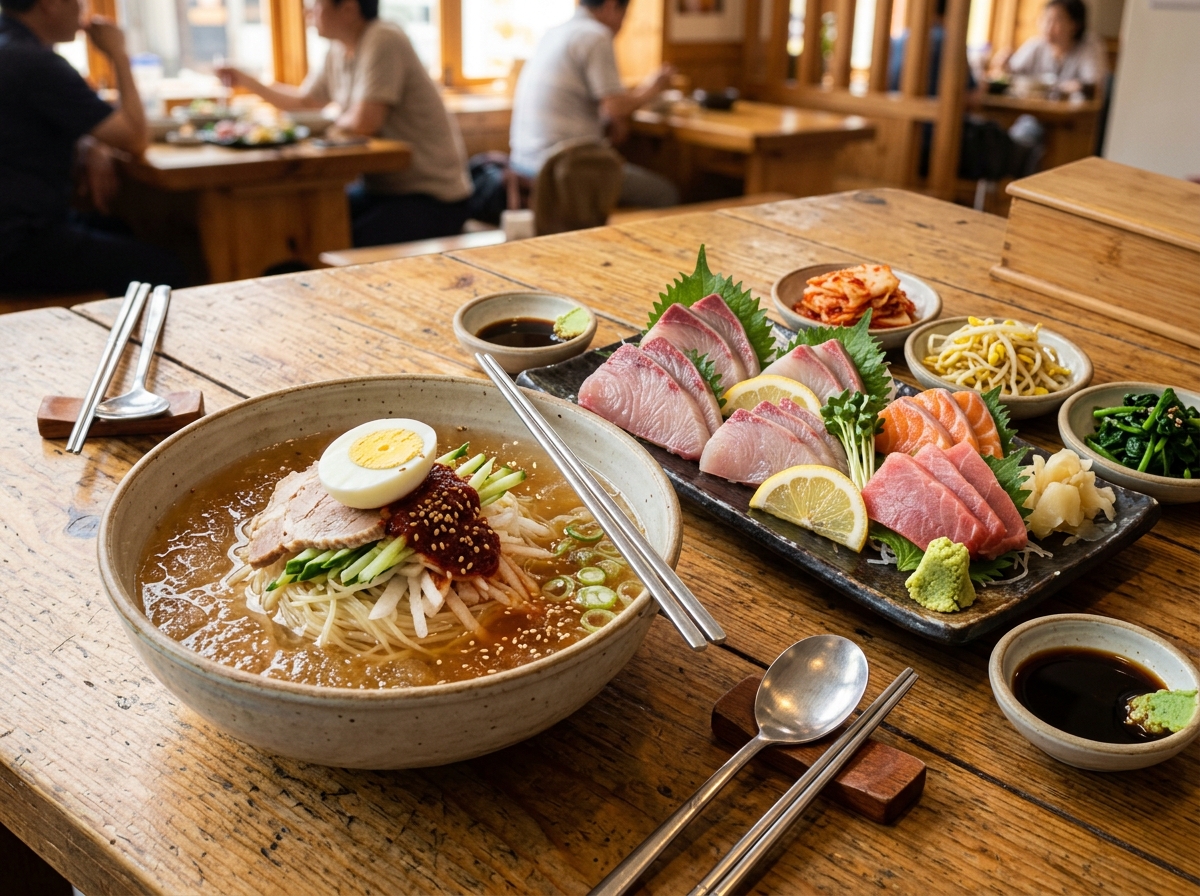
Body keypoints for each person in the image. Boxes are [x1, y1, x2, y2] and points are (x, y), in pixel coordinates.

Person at [219, 0, 473, 247]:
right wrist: (247, 81)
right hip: (384, 190)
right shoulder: (338, 49)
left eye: (316, 5)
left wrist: (328, 120)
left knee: (331, 240)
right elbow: (306, 102)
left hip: (433, 198)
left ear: (349, 9)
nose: (308, 13)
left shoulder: (383, 38)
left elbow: (365, 122)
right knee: (304, 224)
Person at [0, 0, 186, 297]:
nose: (83, 9)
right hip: (18, 240)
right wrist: (118, 54)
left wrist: (89, 142)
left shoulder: (12, 48)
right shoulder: (35, 62)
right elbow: (135, 138)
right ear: (49, 4)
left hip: (21, 224)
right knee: (165, 271)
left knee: (123, 229)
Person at [509, 0, 680, 209]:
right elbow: (615, 106)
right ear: (609, 6)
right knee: (665, 194)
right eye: (625, 15)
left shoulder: (554, 32)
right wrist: (654, 87)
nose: (622, 25)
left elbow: (599, 105)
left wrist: (612, 121)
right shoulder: (595, 35)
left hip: (523, 164)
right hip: (565, 170)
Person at [1000, 0, 1107, 97]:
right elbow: (1011, 72)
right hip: (1035, 109)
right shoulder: (1036, 45)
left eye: (1057, 20)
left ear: (1075, 25)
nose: (1048, 27)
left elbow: (1093, 84)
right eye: (1046, 19)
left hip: (1071, 115)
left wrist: (1074, 88)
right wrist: (1004, 66)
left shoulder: (1089, 45)